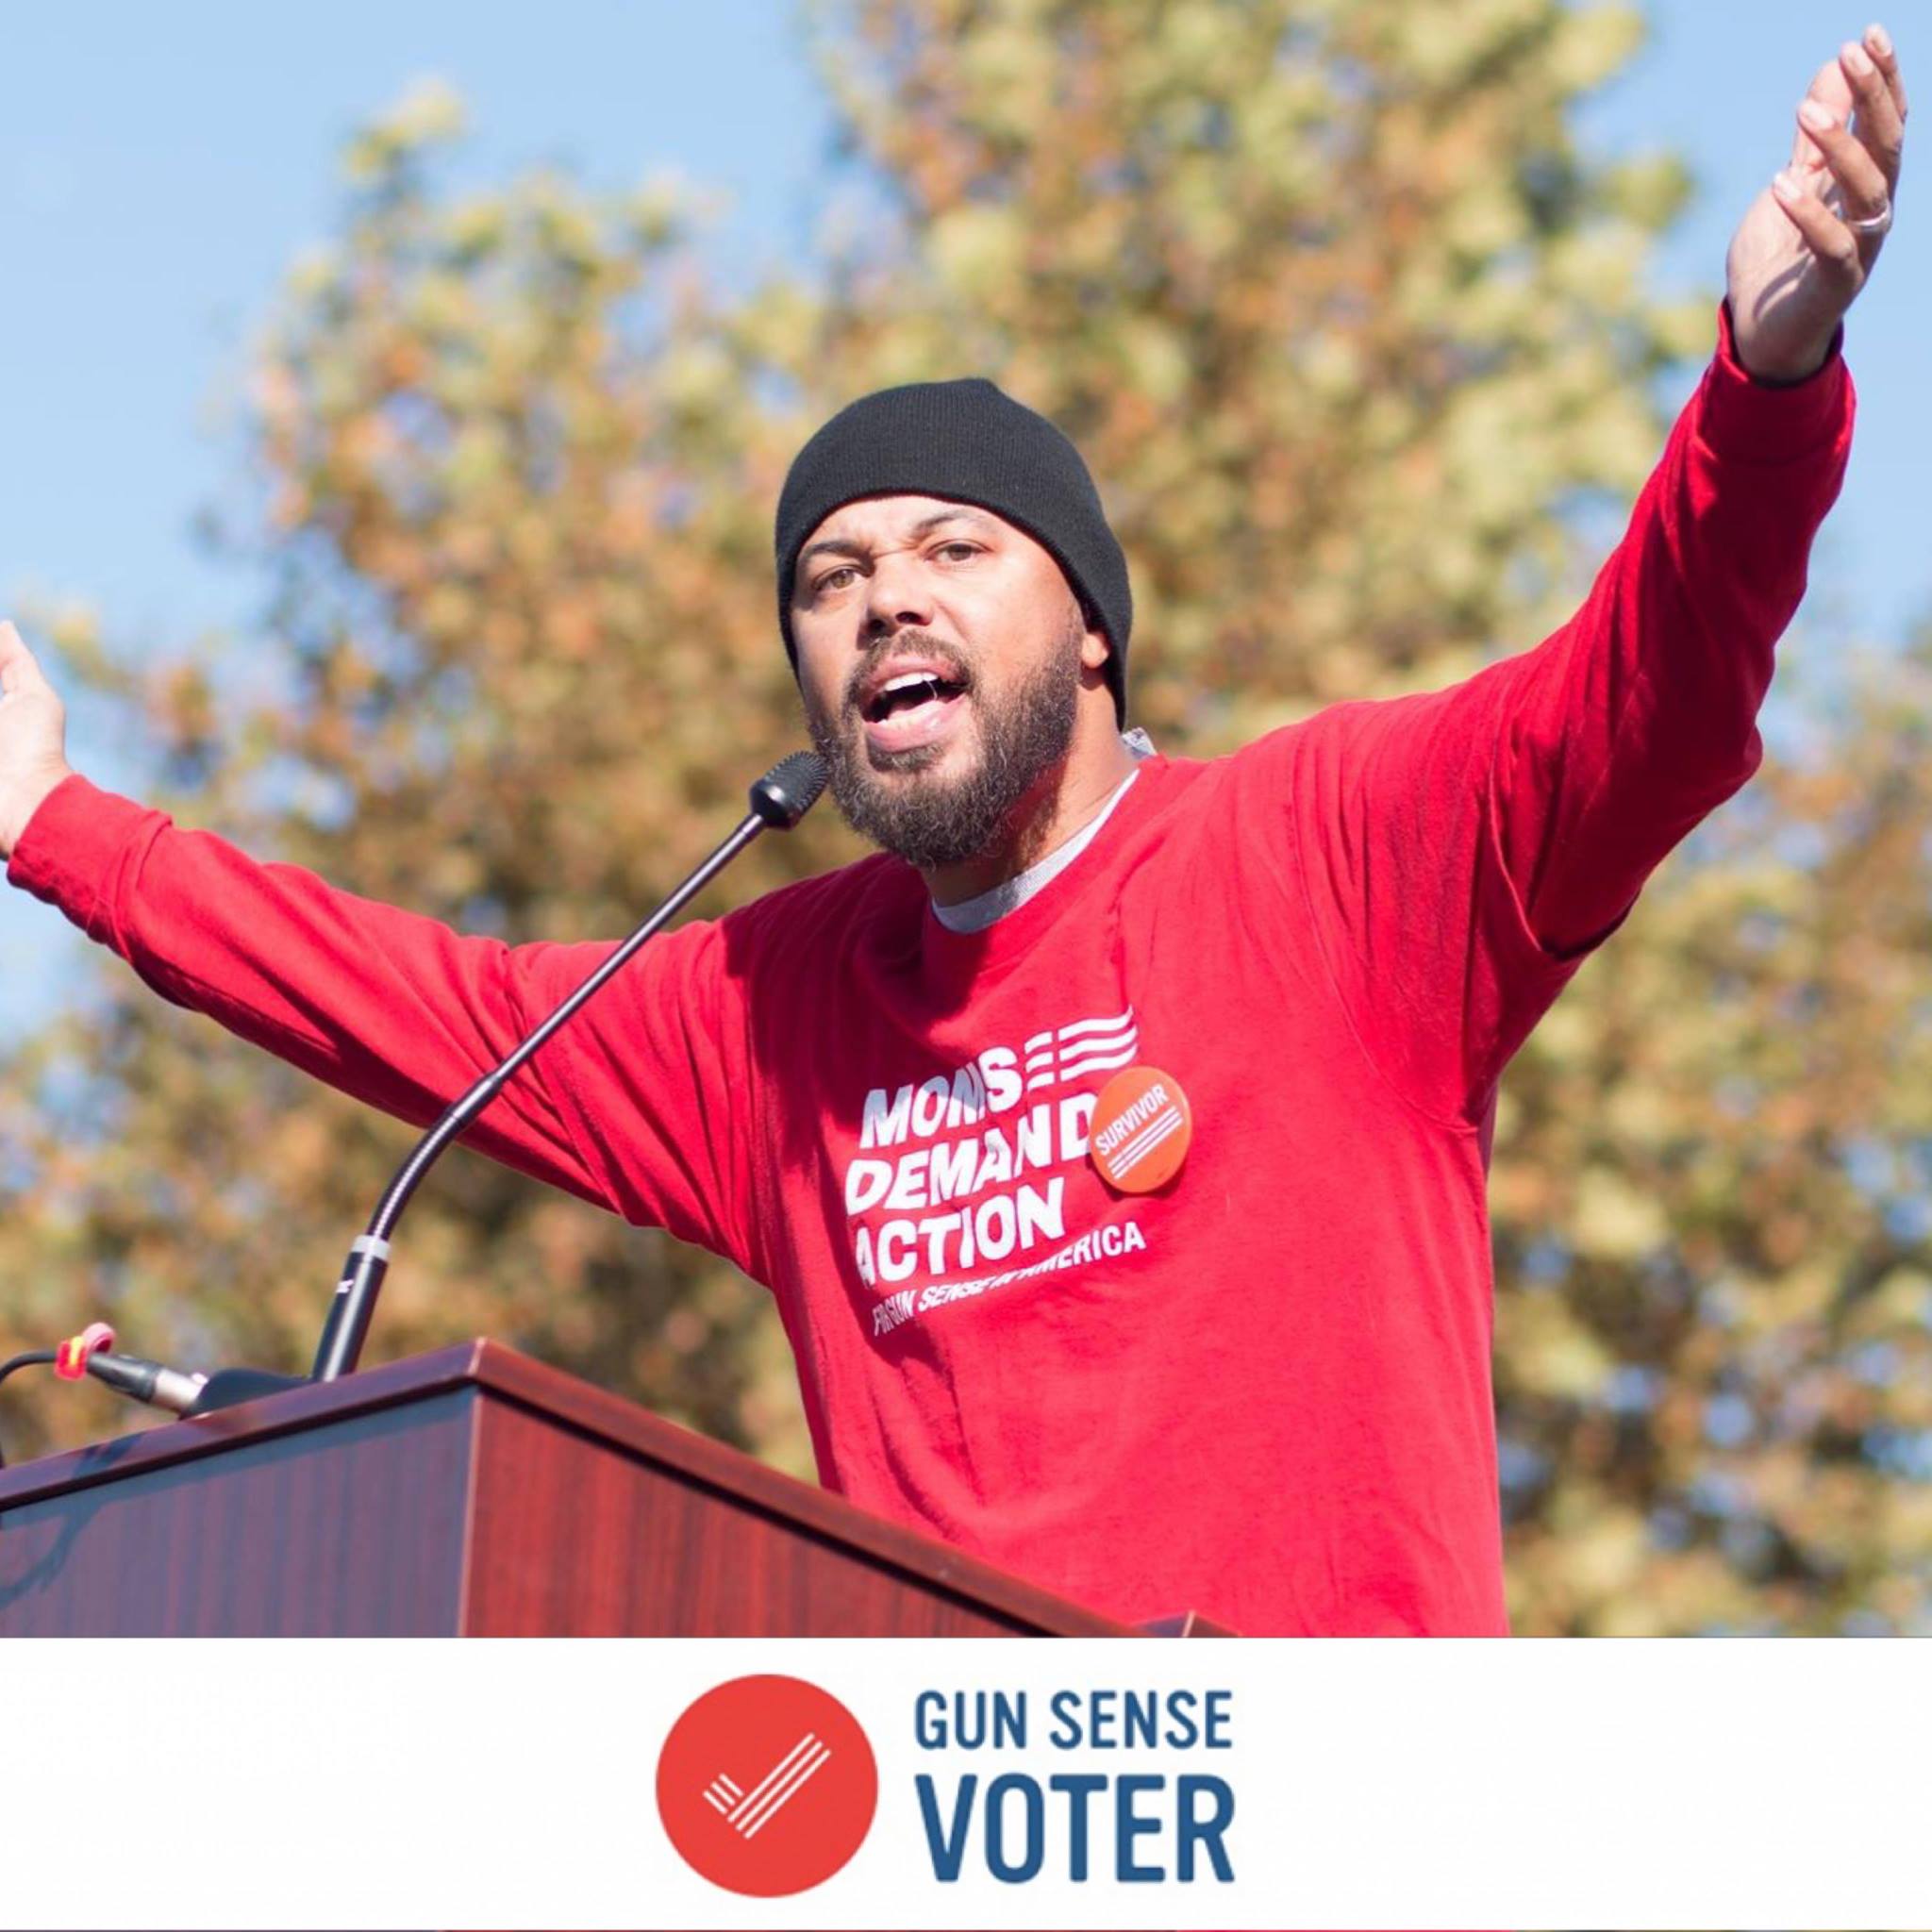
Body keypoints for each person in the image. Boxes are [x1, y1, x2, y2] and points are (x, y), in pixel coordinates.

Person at [0, 32, 1907, 1635]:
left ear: (1086, 623)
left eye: (949, 550)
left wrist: (1765, 381)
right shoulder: (778, 1006)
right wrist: (52, 824)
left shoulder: (1328, 858)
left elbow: (1646, 693)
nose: (882, 601)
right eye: (829, 577)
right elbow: (421, 1005)